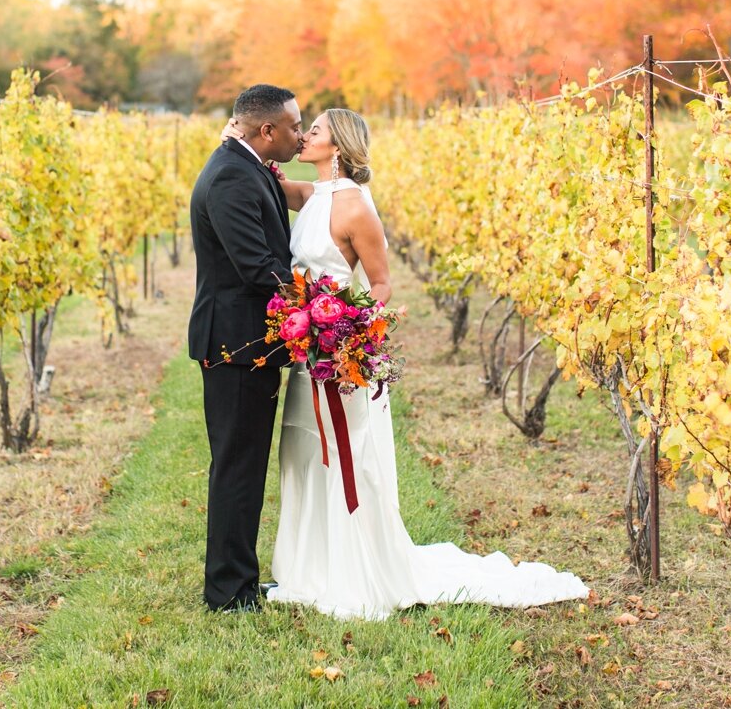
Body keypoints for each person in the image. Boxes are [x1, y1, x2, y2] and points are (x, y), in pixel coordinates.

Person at [221, 108, 589, 620]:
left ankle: (352, 572)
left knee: (343, 459)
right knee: (304, 454)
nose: (305, 136)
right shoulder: (312, 194)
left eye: (317, 131)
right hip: (308, 354)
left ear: (340, 146)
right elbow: (265, 180)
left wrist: (349, 327)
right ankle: (308, 568)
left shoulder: (355, 209)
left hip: (339, 355)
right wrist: (237, 137)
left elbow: (382, 283)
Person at [187, 84, 303, 612]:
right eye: (295, 126)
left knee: (244, 463)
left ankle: (238, 580)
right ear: (267, 131)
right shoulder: (232, 174)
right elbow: (256, 267)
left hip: (245, 341)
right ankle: (229, 592)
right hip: (236, 342)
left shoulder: (244, 163)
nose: (300, 135)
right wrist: (323, 301)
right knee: (237, 465)